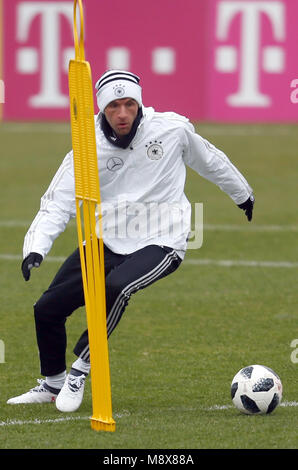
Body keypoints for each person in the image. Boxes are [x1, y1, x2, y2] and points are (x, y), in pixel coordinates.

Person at [7, 70, 254, 412]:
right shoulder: (86, 145)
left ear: (139, 103)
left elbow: (211, 161)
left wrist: (243, 194)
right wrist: (36, 247)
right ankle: (52, 384)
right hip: (107, 240)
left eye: (129, 104)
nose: (122, 114)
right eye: (113, 107)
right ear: (101, 109)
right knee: (46, 310)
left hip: (162, 240)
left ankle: (82, 367)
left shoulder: (171, 129)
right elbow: (58, 202)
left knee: (117, 286)